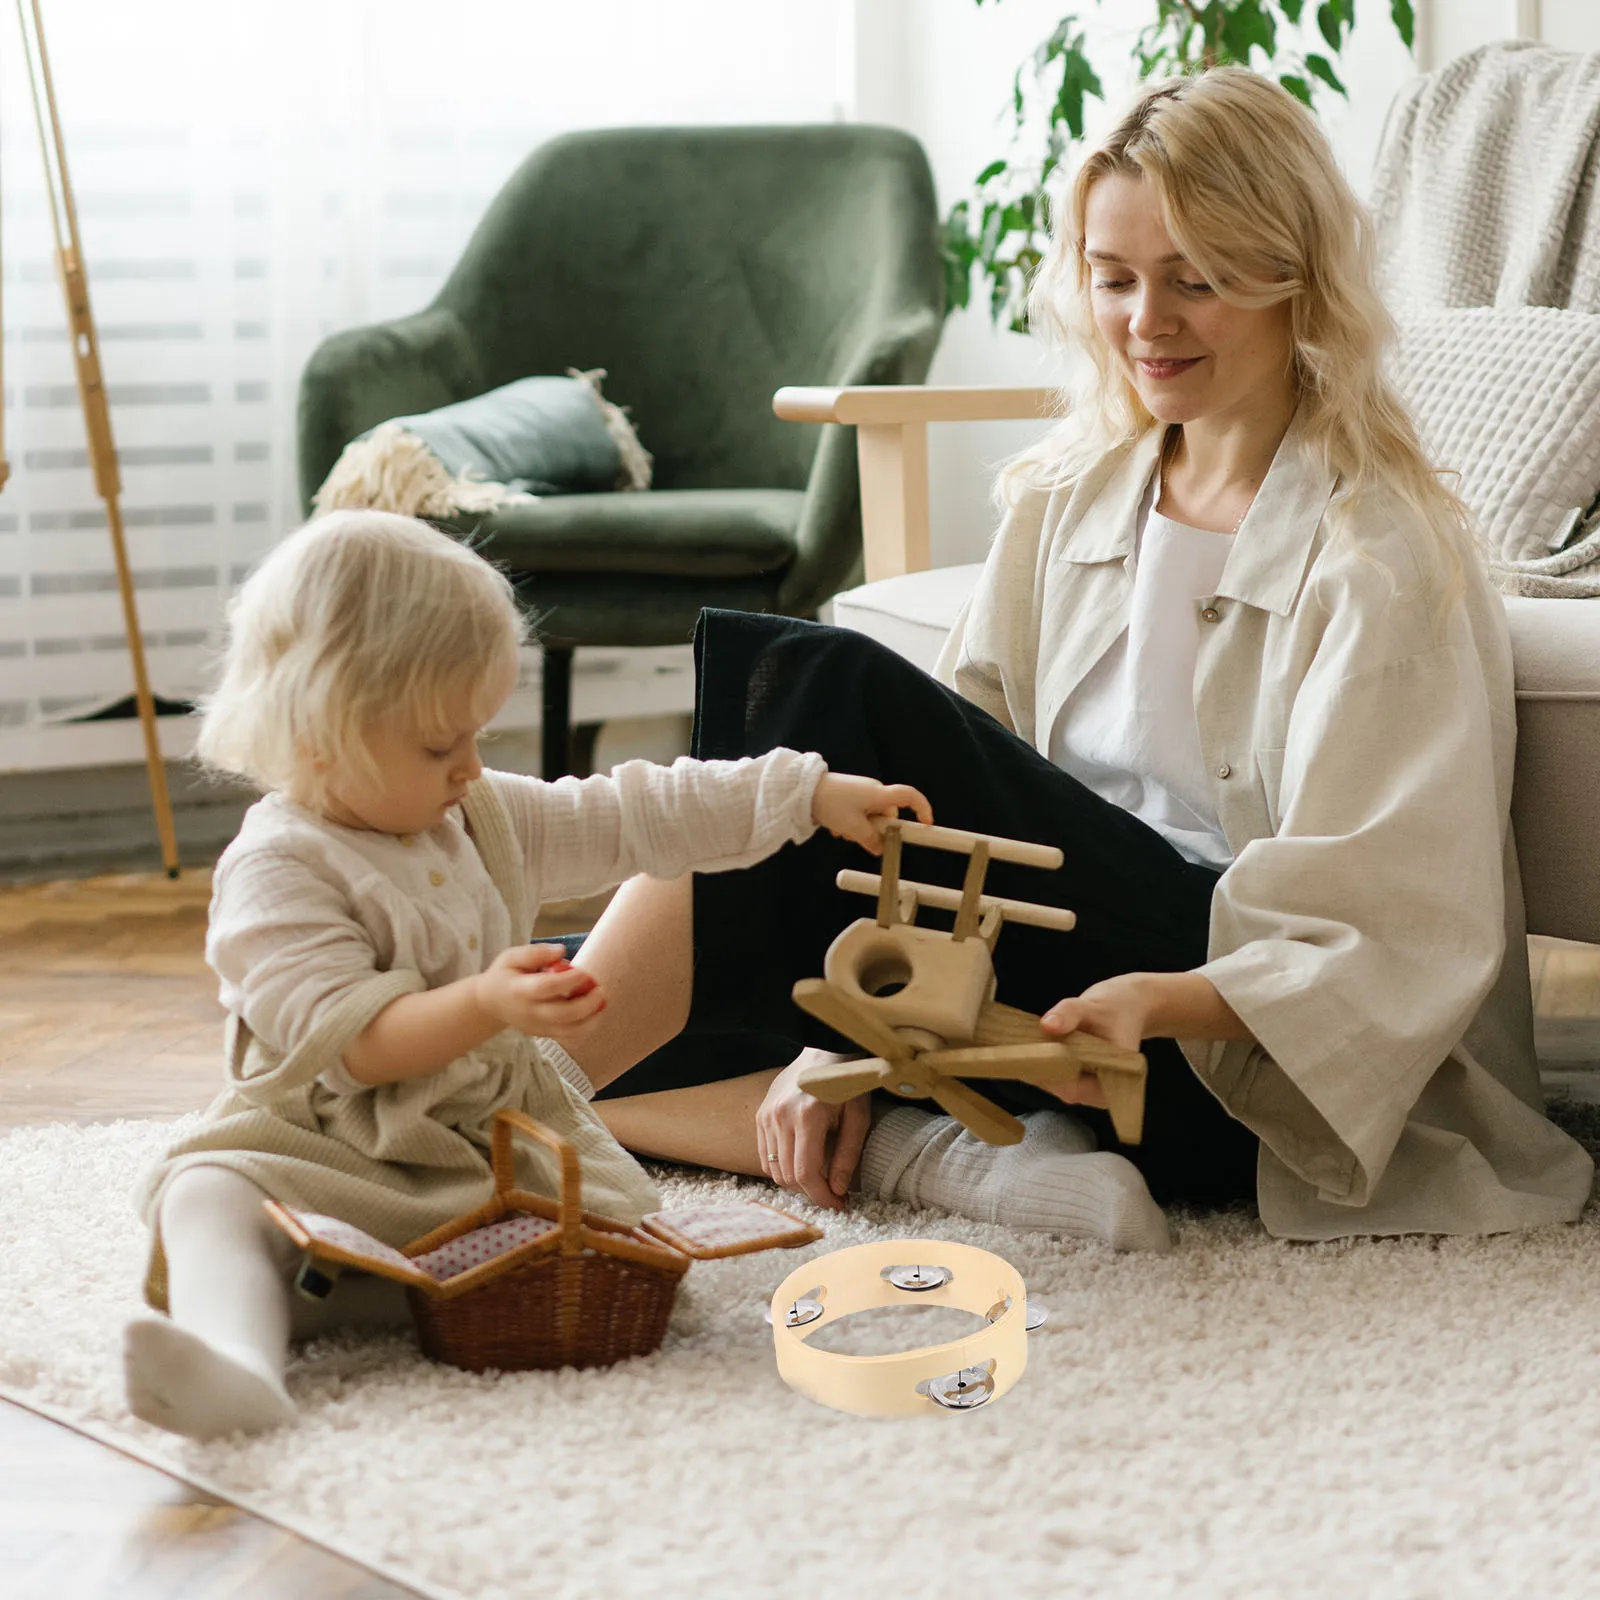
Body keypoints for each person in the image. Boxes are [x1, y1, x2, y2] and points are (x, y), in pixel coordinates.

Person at [548, 66, 1594, 1247]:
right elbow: (950, 791)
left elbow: (1394, 925)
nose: (1146, 322)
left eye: (1193, 281)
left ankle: (453, 1132)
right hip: (1031, 991)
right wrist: (842, 1029)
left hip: (1204, 1050)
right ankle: (949, 1161)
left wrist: (1163, 998)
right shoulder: (1072, 496)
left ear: (1291, 279)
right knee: (547, 973)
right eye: (1114, 279)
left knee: (822, 688)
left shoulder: (1382, 554)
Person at [124, 508, 929, 1441]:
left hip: (488, 1143)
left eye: (478, 734)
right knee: (204, 1191)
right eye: (439, 746)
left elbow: (638, 815)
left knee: (596, 1246)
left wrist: (804, 795)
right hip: (331, 1141)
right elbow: (356, 1050)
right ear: (318, 734)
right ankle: (240, 1363)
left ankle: (356, 1288)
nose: (471, 766)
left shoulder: (478, 814)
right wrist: (484, 1003)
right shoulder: (278, 870)